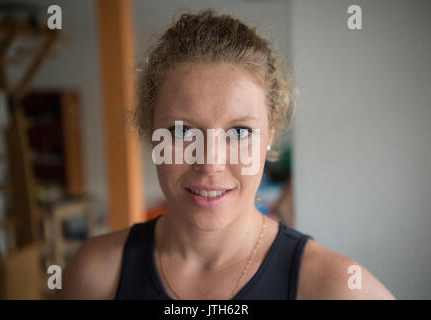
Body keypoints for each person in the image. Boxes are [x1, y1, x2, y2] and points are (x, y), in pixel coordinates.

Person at [61, 10, 395, 300]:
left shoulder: (335, 287)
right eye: (182, 132)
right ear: (151, 130)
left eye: (239, 132)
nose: (210, 163)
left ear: (271, 131)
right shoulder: (94, 274)